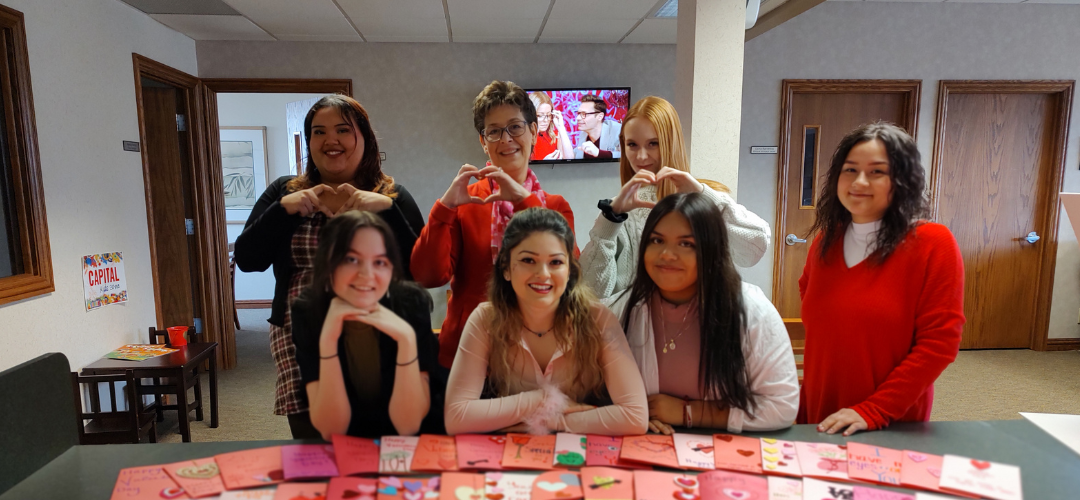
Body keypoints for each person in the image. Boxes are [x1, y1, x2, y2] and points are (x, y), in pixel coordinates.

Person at [234, 94, 425, 438]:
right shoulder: (285, 191)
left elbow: (422, 271)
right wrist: (283, 210)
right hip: (296, 331)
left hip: (376, 331)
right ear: (309, 141)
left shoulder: (391, 195)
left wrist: (388, 211)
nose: (331, 140)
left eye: (342, 130)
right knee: (313, 439)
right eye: (319, 132)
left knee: (380, 432)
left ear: (363, 138)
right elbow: (248, 260)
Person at [797, 122, 965, 436]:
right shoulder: (825, 241)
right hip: (820, 418)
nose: (859, 181)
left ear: (902, 180)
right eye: (850, 170)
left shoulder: (933, 243)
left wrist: (875, 410)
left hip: (888, 424)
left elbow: (940, 343)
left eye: (877, 172)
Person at [411, 80, 576, 368]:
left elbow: (567, 278)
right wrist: (444, 208)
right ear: (483, 142)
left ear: (534, 131)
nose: (506, 139)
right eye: (494, 131)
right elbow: (427, 276)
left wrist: (525, 201)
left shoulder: (554, 207)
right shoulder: (466, 202)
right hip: (468, 356)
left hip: (537, 355)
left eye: (515, 127)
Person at [606, 193, 798, 435]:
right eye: (657, 241)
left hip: (726, 456)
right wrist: (632, 414)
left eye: (686, 244)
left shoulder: (752, 312)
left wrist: (689, 412)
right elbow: (598, 392)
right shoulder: (624, 310)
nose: (667, 254)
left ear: (712, 250)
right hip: (647, 451)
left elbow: (782, 407)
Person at [445, 208, 648, 435]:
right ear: (506, 269)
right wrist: (541, 400)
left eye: (555, 262)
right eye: (528, 260)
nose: (542, 274)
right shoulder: (485, 319)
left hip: (579, 454)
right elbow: (456, 416)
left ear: (569, 269)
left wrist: (555, 422)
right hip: (510, 457)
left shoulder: (598, 319)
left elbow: (635, 416)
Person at [580, 96, 771, 300]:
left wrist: (702, 196)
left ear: (672, 143)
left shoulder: (706, 198)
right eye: (632, 145)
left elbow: (755, 248)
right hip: (635, 328)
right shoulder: (619, 210)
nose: (642, 157)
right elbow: (592, 292)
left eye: (653, 143)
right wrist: (610, 219)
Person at [292, 211, 443, 439]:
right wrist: (328, 340)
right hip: (347, 445)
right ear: (328, 264)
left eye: (380, 262)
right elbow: (332, 429)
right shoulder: (308, 310)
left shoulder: (410, 303)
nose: (367, 274)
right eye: (351, 259)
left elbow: (408, 426)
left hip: (412, 446)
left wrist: (406, 339)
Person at [573, 94, 621, 159]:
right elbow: (575, 156)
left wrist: (598, 153)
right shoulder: (583, 134)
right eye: (578, 113)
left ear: (600, 116)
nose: (578, 118)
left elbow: (627, 155)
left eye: (584, 114)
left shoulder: (617, 130)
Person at [529, 91, 574, 161]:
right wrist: (543, 163)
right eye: (540, 115)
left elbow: (570, 159)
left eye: (548, 115)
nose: (546, 120)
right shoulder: (522, 137)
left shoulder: (554, 135)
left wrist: (561, 128)